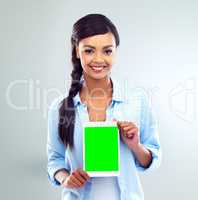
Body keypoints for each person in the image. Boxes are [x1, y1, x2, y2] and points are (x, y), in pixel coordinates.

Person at [47, 13, 161, 200]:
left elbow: (152, 159)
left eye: (107, 51)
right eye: (89, 50)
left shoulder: (137, 100)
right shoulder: (59, 107)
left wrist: (135, 146)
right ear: (77, 51)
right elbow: (55, 160)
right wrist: (66, 178)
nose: (98, 59)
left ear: (116, 51)